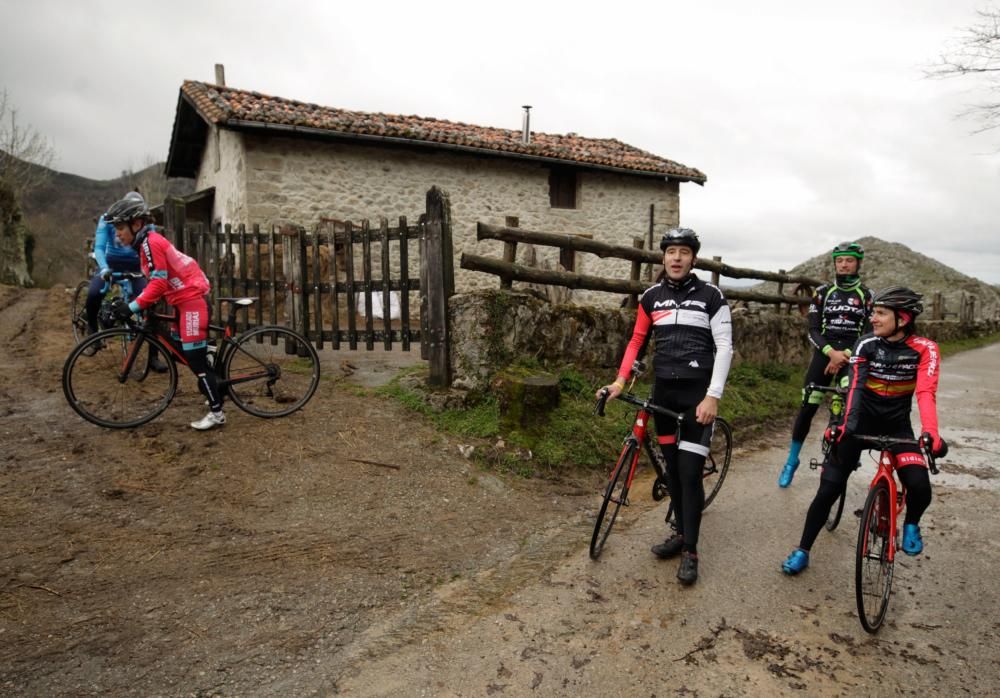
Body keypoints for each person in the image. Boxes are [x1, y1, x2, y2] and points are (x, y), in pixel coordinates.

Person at [596, 227, 733, 585]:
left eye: (683, 252)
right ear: (663, 258)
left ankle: (690, 550)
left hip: (696, 398)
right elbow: (637, 341)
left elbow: (725, 348)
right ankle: (680, 532)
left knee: (689, 474)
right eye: (671, 251)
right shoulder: (651, 297)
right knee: (672, 473)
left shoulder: (711, 296)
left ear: (693, 258)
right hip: (664, 397)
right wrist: (619, 382)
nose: (676, 257)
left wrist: (713, 396)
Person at [781, 286, 948, 575]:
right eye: (874, 312)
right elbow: (855, 389)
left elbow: (925, 392)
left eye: (881, 313)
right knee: (828, 489)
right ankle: (802, 549)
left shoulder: (926, 349)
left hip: (898, 425)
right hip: (861, 421)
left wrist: (931, 433)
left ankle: (911, 525)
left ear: (903, 318)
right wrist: (844, 427)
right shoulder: (865, 344)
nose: (873, 318)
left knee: (920, 486)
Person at [103, 193, 226, 431]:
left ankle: (217, 413)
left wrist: (131, 307)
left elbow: (159, 283)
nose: (117, 234)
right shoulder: (145, 244)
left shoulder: (150, 243)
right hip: (182, 300)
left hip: (191, 300)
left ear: (136, 224)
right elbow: (152, 276)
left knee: (195, 361)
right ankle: (209, 359)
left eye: (120, 228)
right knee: (178, 351)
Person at [778, 242, 873, 487]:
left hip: (852, 355)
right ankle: (791, 460)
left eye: (848, 260)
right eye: (839, 260)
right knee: (807, 408)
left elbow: (870, 332)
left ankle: (841, 455)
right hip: (824, 353)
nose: (843, 264)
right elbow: (811, 329)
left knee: (847, 408)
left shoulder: (867, 295)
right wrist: (832, 353)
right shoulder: (822, 293)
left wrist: (846, 355)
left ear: (857, 263)